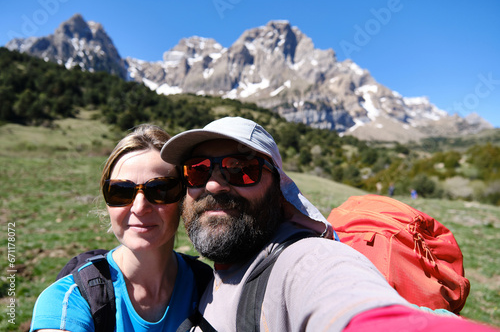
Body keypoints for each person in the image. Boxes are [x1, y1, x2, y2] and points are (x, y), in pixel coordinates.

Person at [161, 116, 499, 332]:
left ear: (280, 192)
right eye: (198, 170)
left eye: (241, 169)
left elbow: (361, 311)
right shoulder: (203, 275)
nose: (215, 185)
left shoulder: (308, 262)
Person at [30, 124, 211, 332]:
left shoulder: (209, 289)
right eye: (120, 191)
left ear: (183, 199)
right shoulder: (69, 300)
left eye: (160, 189)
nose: (140, 207)